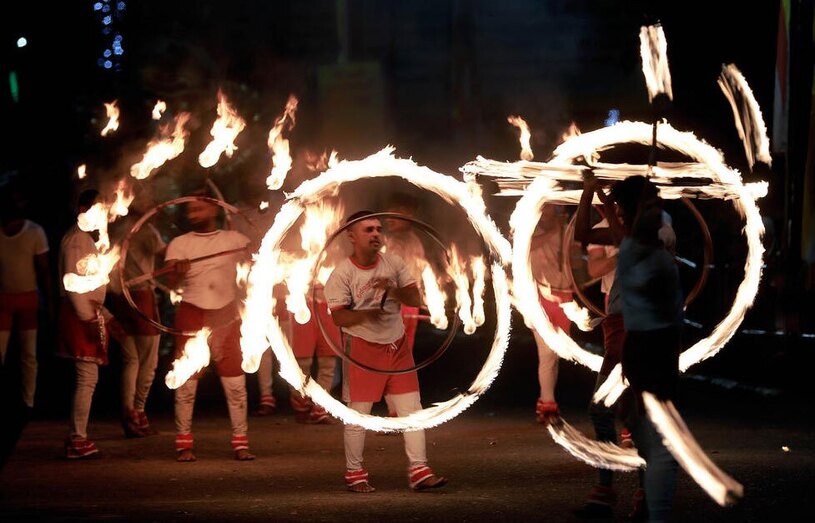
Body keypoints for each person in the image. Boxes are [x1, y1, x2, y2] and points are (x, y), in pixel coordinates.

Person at [574, 175, 678, 520]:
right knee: (628, 415)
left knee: (613, 411)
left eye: (622, 206)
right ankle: (624, 492)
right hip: (622, 328)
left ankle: (630, 493)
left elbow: (630, 242)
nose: (616, 212)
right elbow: (583, 236)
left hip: (643, 334)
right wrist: (590, 193)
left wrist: (606, 202)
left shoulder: (659, 232)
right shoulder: (633, 231)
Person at [324, 210, 447, 493]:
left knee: (412, 412)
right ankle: (355, 474)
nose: (376, 234)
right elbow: (339, 318)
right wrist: (368, 314)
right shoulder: (343, 273)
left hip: (397, 346)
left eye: (379, 229)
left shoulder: (394, 263)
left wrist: (393, 289)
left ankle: (419, 471)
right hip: (363, 351)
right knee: (359, 416)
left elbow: (415, 299)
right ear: (351, 236)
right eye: (368, 230)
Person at [164, 193, 255, 462]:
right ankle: (184, 444)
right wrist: (177, 271)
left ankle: (241, 442)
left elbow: (261, 261)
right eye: (190, 210)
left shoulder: (235, 240)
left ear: (214, 210)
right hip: (192, 312)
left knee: (235, 382)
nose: (193, 214)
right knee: (187, 382)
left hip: (227, 315)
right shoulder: (180, 244)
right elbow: (171, 283)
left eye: (199, 209)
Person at [57, 189, 113, 459]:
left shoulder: (87, 239)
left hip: (88, 313)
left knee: (88, 378)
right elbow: (74, 284)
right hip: (79, 314)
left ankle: (77, 437)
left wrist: (106, 317)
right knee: (87, 378)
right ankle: (77, 439)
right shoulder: (77, 240)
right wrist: (88, 317)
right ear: (81, 210)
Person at [107, 188, 166, 437]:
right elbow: (168, 258)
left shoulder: (116, 229)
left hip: (119, 298)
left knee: (131, 361)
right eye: (149, 201)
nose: (154, 204)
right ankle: (138, 412)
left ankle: (128, 411)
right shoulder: (145, 230)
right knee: (148, 362)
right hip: (140, 297)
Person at [0, 183, 54, 413]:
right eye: (13, 199)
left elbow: (44, 271)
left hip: (28, 300)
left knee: (29, 355)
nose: (17, 204)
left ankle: (28, 402)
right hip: (3, 300)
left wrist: (50, 303)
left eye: (21, 200)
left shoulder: (35, 232)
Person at [529, 204, 573, 424]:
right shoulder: (528, 229)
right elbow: (526, 248)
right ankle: (548, 407)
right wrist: (554, 231)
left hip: (565, 297)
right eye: (545, 208)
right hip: (539, 298)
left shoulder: (569, 229)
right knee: (546, 355)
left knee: (555, 356)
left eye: (553, 208)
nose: (548, 213)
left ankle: (545, 403)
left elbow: (576, 258)